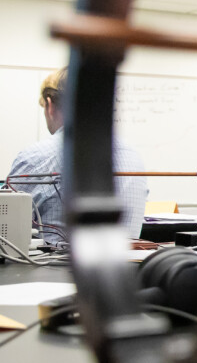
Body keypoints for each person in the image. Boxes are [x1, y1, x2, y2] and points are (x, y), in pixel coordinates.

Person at [6, 68, 148, 246]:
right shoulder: (134, 157)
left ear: (50, 105)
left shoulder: (35, 156)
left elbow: (5, 233)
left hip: (51, 272)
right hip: (126, 272)